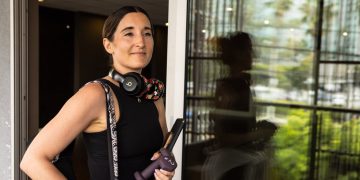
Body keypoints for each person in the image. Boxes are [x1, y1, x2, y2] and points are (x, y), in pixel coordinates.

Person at [20, 6, 175, 180]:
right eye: (129, 33)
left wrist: (164, 168)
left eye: (147, 33)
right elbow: (32, 160)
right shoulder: (96, 94)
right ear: (108, 45)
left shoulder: (152, 94)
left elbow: (158, 152)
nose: (141, 42)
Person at [201, 32, 277, 180]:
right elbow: (223, 137)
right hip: (230, 166)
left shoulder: (242, 85)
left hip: (238, 164)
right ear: (239, 54)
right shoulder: (227, 89)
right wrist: (258, 134)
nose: (253, 55)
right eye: (249, 50)